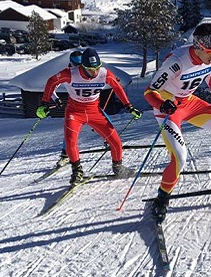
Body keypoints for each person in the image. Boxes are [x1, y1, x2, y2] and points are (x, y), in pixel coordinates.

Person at [143, 20, 211, 222]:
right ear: (198, 47)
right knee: (179, 158)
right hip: (169, 108)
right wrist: (163, 104)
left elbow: (208, 75)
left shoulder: (210, 56)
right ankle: (161, 199)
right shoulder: (177, 62)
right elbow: (149, 91)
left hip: (189, 102)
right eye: (210, 52)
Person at [36, 47, 143, 184]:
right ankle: (77, 171)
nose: (94, 72)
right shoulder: (70, 73)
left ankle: (118, 167)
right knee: (70, 142)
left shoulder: (104, 74)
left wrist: (129, 107)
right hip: (75, 112)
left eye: (97, 68)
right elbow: (52, 81)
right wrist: (45, 103)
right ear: (82, 66)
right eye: (90, 69)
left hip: (94, 112)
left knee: (116, 142)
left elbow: (117, 87)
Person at [55, 50, 83, 167]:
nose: (79, 67)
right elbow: (52, 86)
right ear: (71, 63)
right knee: (69, 132)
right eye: (76, 64)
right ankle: (65, 154)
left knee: (105, 121)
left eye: (80, 64)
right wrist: (56, 99)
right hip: (75, 107)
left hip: (90, 105)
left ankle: (110, 142)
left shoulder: (86, 70)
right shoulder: (67, 74)